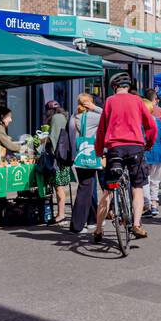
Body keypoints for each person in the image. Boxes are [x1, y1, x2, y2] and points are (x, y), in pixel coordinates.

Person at [92, 74, 157, 243]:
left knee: (108, 190)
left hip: (115, 148)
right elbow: (151, 125)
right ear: (128, 86)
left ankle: (98, 230)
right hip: (136, 147)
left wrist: (99, 151)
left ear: (114, 87)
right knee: (137, 187)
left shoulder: (110, 101)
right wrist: (148, 143)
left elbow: (101, 129)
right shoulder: (137, 101)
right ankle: (136, 224)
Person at [67, 93, 102, 234]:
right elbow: (110, 116)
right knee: (85, 189)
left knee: (88, 186)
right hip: (89, 155)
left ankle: (93, 220)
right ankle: (77, 225)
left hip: (77, 156)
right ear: (90, 103)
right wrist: (96, 108)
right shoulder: (92, 117)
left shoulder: (73, 117)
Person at [141, 93, 161, 218]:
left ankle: (148, 204)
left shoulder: (141, 122)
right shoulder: (158, 121)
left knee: (145, 180)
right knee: (155, 179)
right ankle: (154, 203)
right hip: (158, 152)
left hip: (146, 153)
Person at [42, 101, 73, 224]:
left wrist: (42, 139)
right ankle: (60, 213)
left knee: (58, 186)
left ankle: (61, 214)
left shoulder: (56, 118)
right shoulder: (63, 116)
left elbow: (53, 138)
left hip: (58, 158)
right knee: (58, 186)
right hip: (64, 156)